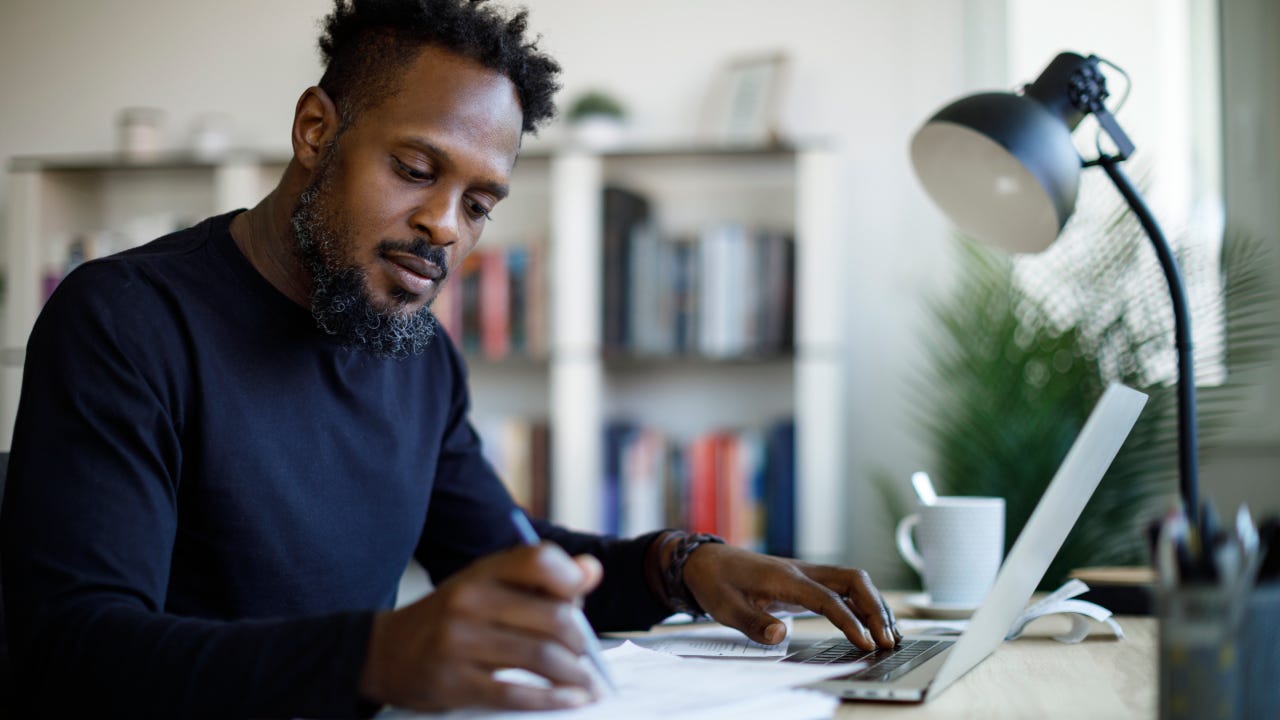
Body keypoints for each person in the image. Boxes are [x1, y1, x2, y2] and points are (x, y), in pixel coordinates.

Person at [0, 0, 899, 717]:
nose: (444, 226)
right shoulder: (124, 321)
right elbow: (76, 651)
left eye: (480, 203)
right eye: (417, 169)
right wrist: (379, 656)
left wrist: (682, 566)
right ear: (316, 130)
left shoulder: (419, 356)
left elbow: (501, 559)